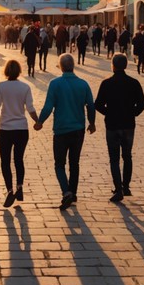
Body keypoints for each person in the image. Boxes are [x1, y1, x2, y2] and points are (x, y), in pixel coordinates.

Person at [34, 53, 96, 209]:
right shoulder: (83, 84)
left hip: (61, 130)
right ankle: (73, 192)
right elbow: (91, 105)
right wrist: (92, 123)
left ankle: (66, 191)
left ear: (61, 66)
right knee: (74, 163)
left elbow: (49, 106)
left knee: (59, 164)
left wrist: (40, 121)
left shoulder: (55, 84)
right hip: (78, 129)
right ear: (73, 65)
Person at [0, 59, 39, 207]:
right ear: (19, 71)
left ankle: (10, 190)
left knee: (5, 161)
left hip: (6, 129)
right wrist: (38, 121)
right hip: (21, 129)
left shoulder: (1, 86)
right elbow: (30, 108)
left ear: (6, 71)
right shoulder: (25, 87)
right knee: (19, 159)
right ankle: (20, 187)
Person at [94, 53, 144, 203]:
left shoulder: (107, 83)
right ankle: (126, 186)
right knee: (127, 156)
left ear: (113, 66)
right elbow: (142, 104)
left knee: (114, 158)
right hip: (128, 124)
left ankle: (118, 188)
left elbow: (97, 104)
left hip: (112, 125)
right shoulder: (134, 83)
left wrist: (108, 113)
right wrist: (132, 113)